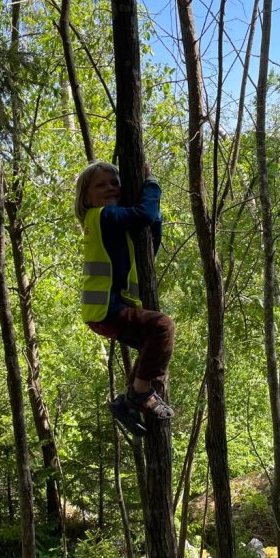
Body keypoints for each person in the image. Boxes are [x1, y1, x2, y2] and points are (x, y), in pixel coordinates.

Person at [75, 160, 175, 423]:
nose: (110, 188)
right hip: (107, 310)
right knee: (162, 327)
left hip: (108, 311)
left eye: (115, 183)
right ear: (86, 197)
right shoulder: (100, 216)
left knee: (151, 346)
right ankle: (140, 394)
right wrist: (152, 185)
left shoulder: (114, 226)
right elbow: (143, 215)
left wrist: (157, 219)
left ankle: (128, 402)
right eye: (101, 185)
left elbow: (148, 248)